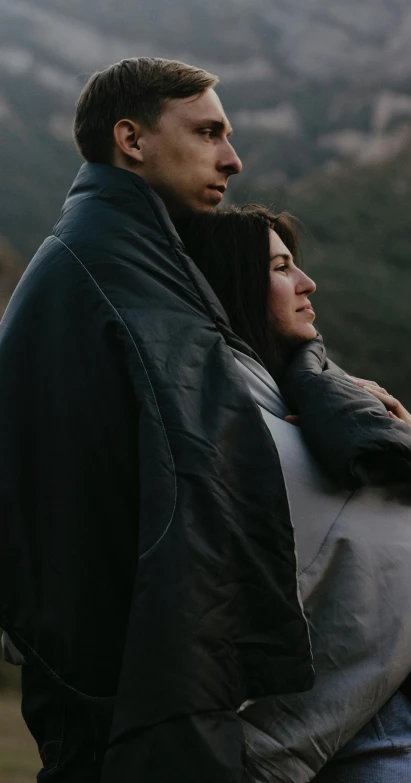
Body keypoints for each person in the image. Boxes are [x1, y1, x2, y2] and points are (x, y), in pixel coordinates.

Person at [0, 58, 317, 783]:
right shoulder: (110, 271)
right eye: (208, 132)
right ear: (130, 139)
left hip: (118, 688)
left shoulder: (124, 255)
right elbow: (191, 492)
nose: (233, 158)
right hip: (132, 699)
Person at [177, 204, 411, 783]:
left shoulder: (316, 386)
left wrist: (408, 429)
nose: (307, 283)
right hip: (369, 711)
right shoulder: (235, 403)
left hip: (391, 689)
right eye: (281, 267)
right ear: (234, 282)